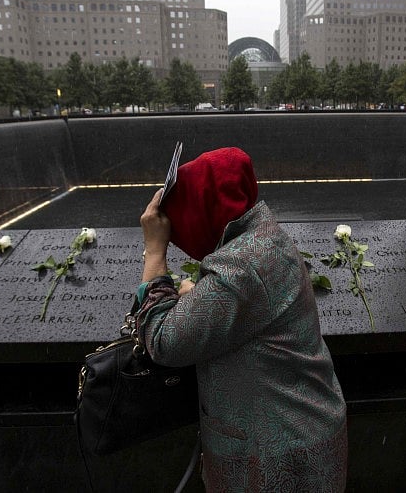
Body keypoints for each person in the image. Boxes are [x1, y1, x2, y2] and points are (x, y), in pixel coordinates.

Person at [137, 147, 348, 492]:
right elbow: (244, 302)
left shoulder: (242, 266)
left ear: (205, 211)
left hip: (277, 461)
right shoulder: (262, 239)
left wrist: (155, 251)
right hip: (303, 434)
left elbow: (162, 340)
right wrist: (203, 293)